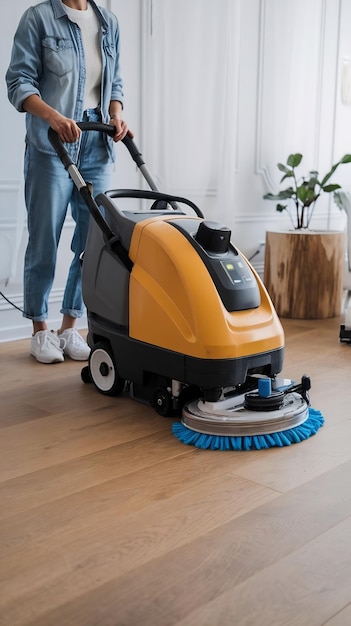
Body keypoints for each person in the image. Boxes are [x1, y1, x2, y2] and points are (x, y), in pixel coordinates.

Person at [6, 0, 128, 363]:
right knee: (45, 237)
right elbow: (19, 82)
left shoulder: (108, 22)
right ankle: (40, 330)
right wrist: (54, 117)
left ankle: (70, 325)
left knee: (94, 241)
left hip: (98, 143)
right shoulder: (38, 19)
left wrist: (116, 115)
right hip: (52, 143)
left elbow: (115, 81)